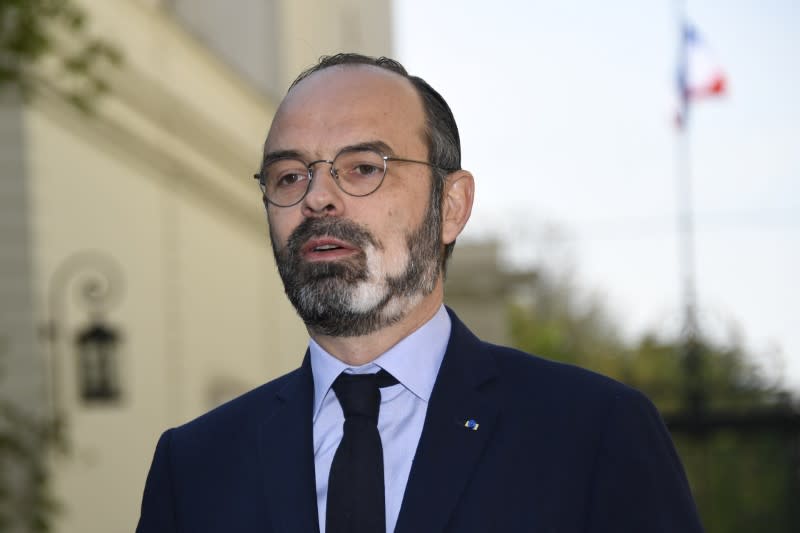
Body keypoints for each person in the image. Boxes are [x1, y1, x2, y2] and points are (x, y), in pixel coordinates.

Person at [137, 53, 704, 533]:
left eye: (362, 168)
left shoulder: (592, 432)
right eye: (289, 176)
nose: (318, 198)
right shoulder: (194, 468)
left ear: (451, 206)